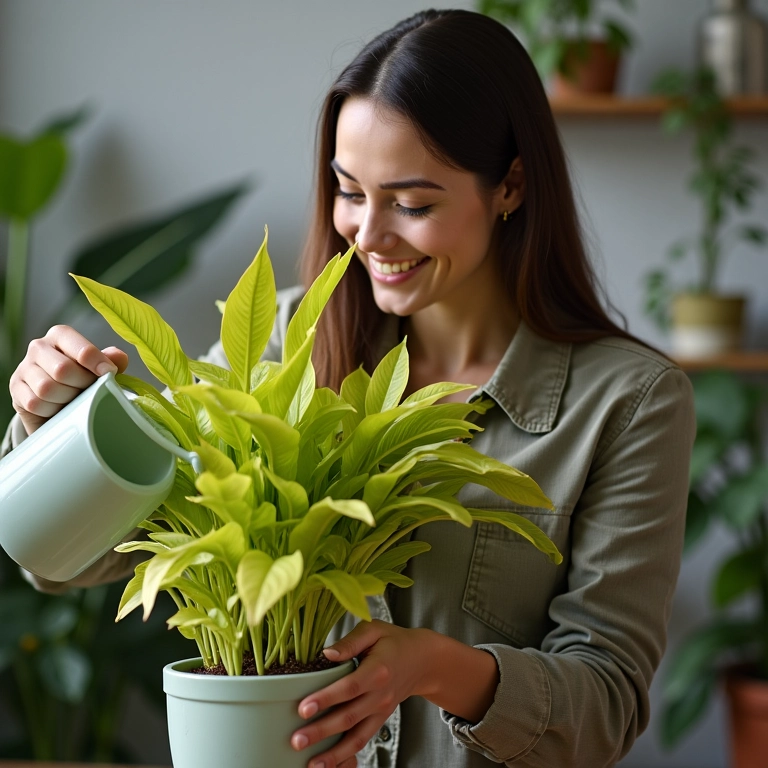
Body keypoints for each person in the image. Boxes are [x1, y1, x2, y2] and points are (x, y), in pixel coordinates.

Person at [3, 9, 696, 768]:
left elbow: (605, 706)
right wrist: (52, 420)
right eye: (348, 192)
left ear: (511, 185)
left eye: (412, 203)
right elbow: (63, 560)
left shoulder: (628, 402)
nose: (366, 236)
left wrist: (430, 666)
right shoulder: (289, 339)